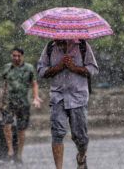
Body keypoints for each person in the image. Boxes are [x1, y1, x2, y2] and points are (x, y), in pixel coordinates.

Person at [37, 39, 98, 169]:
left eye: (60, 38)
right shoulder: (50, 47)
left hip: (78, 97)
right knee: (57, 133)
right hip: (57, 97)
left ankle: (81, 158)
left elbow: (93, 69)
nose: (57, 39)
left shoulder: (82, 45)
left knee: (80, 137)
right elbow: (41, 70)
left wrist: (74, 68)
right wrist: (57, 68)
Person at [0, 46, 43, 164]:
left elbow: (34, 84)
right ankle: (10, 151)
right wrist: (2, 102)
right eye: (14, 55)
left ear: (22, 56)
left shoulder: (29, 68)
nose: (16, 58)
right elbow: (5, 84)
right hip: (9, 102)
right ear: (11, 56)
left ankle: (19, 154)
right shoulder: (7, 68)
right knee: (7, 125)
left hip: (23, 103)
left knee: (21, 129)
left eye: (19, 56)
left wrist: (36, 97)